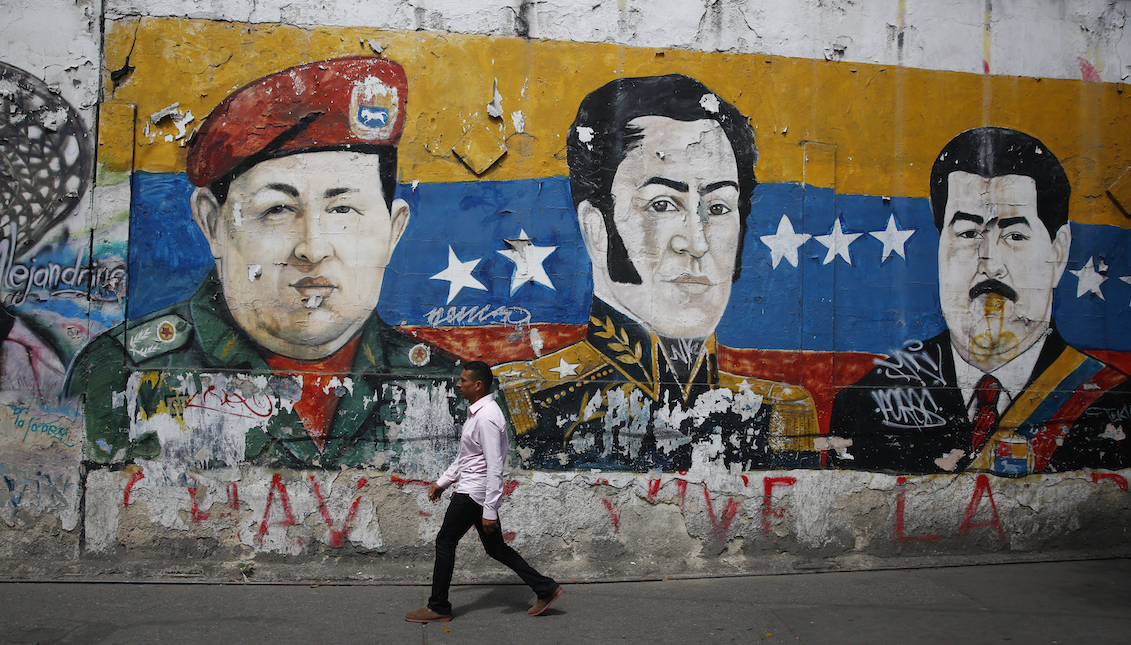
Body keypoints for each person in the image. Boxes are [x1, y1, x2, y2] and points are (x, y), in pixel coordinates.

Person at [65, 57, 460, 469]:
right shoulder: (123, 372)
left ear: (393, 231)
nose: (313, 248)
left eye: (343, 209)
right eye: (277, 210)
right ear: (213, 223)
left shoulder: (452, 390)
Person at [494, 74, 819, 472]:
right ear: (597, 229)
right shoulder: (528, 398)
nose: (696, 243)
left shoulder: (778, 412)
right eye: (663, 204)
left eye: (718, 208)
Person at [830, 127, 1130, 475]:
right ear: (940, 247)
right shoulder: (867, 403)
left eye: (1014, 235)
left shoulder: (1110, 404)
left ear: (1058, 253)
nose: (990, 264)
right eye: (969, 234)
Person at [406, 361, 563, 623]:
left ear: (478, 385)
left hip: (474, 494)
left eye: (463, 380)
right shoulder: (478, 413)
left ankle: (439, 607)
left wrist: (490, 509)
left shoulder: (488, 416)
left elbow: (494, 467)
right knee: (496, 548)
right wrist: (443, 482)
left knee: (445, 542)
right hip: (475, 491)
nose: (458, 384)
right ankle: (545, 588)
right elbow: (466, 457)